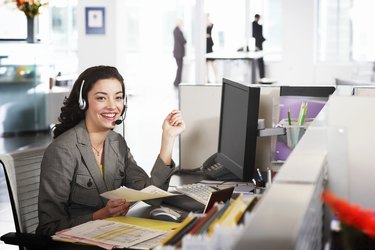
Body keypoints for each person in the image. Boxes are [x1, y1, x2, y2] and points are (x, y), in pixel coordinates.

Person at [36, 65, 186, 236]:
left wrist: (168, 138)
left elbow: (152, 195)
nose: (112, 106)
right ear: (83, 102)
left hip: (111, 235)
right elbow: (48, 228)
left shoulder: (116, 143)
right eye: (101, 98)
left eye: (118, 98)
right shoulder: (64, 151)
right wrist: (101, 215)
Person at [173, 19, 187, 86]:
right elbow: (183, 40)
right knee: (179, 68)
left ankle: (178, 81)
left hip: (178, 53)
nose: (182, 24)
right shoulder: (177, 30)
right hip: (178, 53)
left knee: (179, 68)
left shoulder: (177, 30)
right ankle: (177, 82)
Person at [252, 14, 266, 79]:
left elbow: (260, 36)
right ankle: (260, 77)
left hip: (259, 45)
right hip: (256, 45)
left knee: (260, 62)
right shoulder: (254, 25)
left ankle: (262, 77)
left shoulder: (259, 26)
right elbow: (256, 35)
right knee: (256, 62)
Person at [206, 13, 217, 83]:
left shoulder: (209, 23)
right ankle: (207, 79)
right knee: (206, 64)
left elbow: (211, 25)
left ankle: (216, 78)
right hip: (205, 46)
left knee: (211, 63)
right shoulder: (203, 24)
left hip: (209, 45)